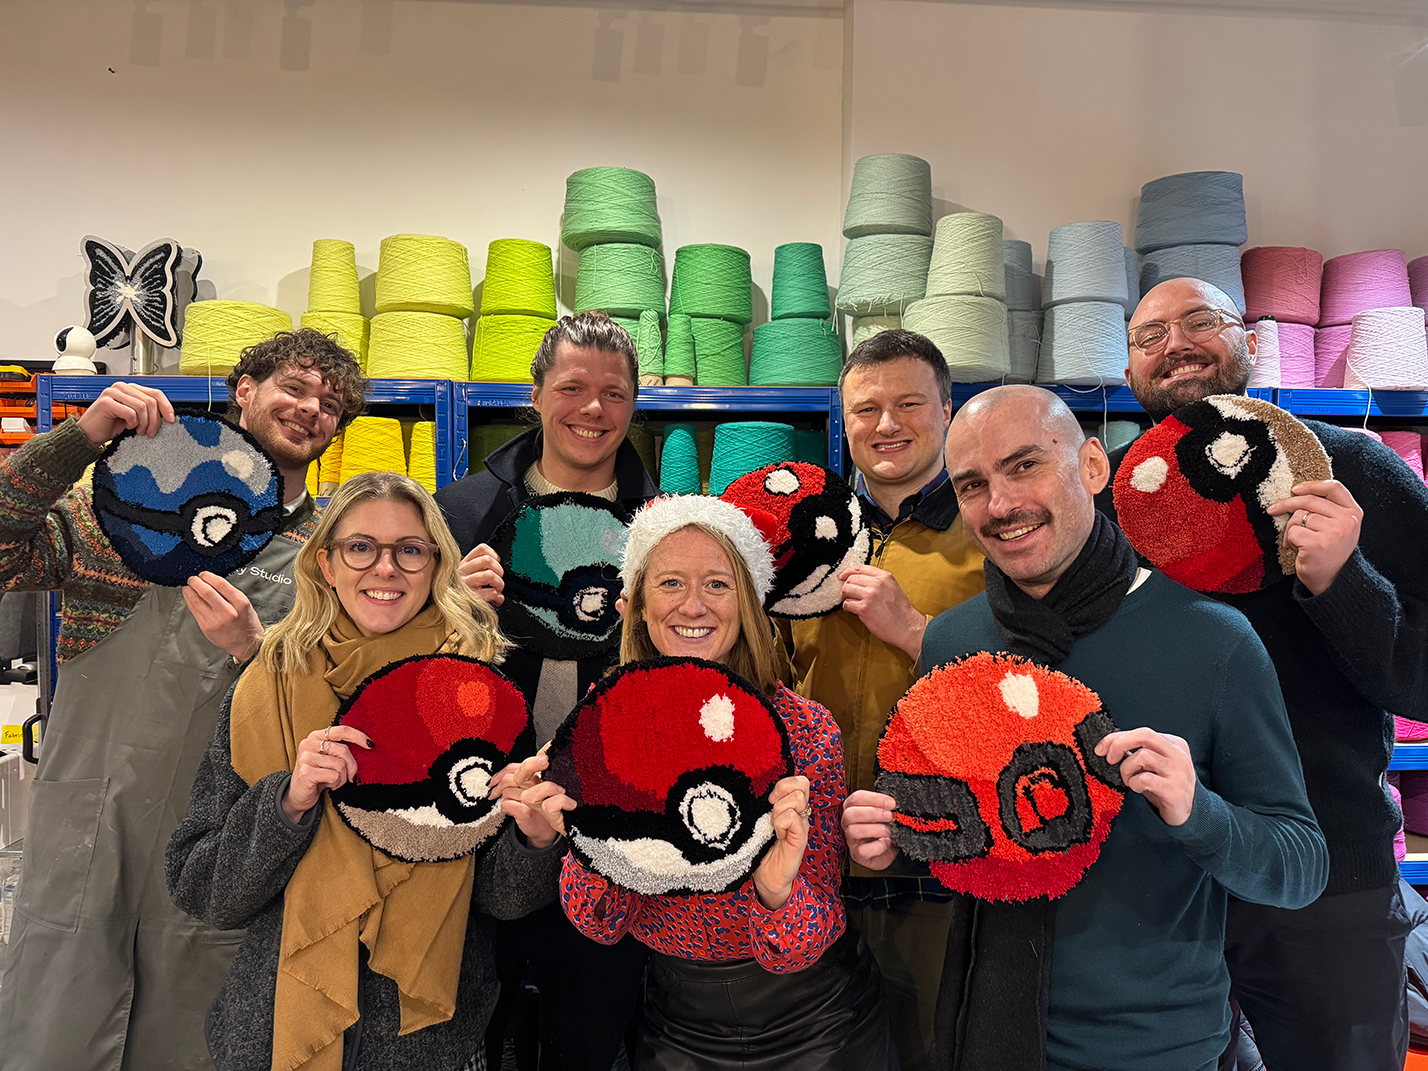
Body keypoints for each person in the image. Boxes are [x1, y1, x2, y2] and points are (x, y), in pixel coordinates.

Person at [844, 385, 1328, 1071]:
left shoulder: (1214, 641)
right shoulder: (954, 641)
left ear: (1093, 466)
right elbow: (978, 849)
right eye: (973, 483)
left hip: (1158, 1047)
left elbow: (1300, 865)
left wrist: (1200, 811)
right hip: (988, 1031)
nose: (1002, 504)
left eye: (1025, 465)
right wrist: (895, 839)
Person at [0, 329, 365, 1071]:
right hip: (86, 836)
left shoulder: (333, 558)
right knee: (55, 1032)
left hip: (217, 850)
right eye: (295, 387)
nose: (310, 409)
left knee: (196, 1038)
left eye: (330, 405)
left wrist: (256, 651)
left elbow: (341, 713)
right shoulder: (123, 506)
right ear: (245, 389)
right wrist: (79, 437)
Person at [1097, 277, 1428, 1071]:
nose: (1174, 343)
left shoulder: (1355, 470)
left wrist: (1344, 580)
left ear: (1249, 340)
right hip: (1155, 882)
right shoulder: (1103, 501)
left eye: (1200, 321)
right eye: (1149, 335)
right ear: (1132, 367)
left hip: (1328, 878)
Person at [165, 471, 565, 1070]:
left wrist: (533, 839)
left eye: (409, 550)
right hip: (273, 1031)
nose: (386, 569)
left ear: (435, 564)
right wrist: (289, 802)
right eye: (361, 547)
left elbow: (503, 902)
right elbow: (203, 889)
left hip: (427, 1044)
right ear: (326, 564)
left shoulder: (480, 689)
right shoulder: (266, 684)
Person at [512, 494, 896, 1070]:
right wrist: (575, 847)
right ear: (636, 605)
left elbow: (803, 940)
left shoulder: (803, 729)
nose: (693, 606)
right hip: (677, 1025)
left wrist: (776, 891)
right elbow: (601, 922)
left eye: (717, 584)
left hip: (821, 1026)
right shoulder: (606, 722)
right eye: (669, 583)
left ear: (746, 603)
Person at [433, 310, 657, 1071]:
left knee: (592, 1031)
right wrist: (445, 602)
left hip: (614, 826)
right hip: (476, 821)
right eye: (572, 387)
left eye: (613, 393)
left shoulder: (662, 527)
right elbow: (398, 662)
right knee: (472, 1027)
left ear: (635, 403)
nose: (592, 409)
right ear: (535, 394)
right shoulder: (462, 513)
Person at [778, 328, 984, 1071]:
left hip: (939, 865)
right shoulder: (806, 539)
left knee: (935, 1050)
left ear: (947, 410)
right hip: (814, 863)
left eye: (908, 404)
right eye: (866, 408)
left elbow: (1036, 688)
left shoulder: (990, 533)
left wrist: (918, 634)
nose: (886, 424)